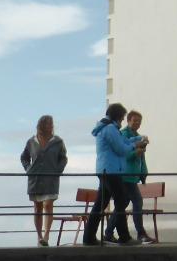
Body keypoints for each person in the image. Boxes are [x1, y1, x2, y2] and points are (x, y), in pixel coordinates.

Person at [83, 103, 144, 246]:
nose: (122, 120)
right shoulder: (110, 129)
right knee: (121, 200)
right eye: (122, 118)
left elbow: (123, 141)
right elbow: (121, 149)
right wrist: (135, 146)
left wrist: (137, 139)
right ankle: (124, 237)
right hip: (111, 171)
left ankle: (89, 238)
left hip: (105, 170)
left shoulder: (109, 128)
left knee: (101, 204)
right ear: (118, 116)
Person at [105, 110, 153, 244]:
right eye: (135, 120)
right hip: (125, 175)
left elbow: (140, 157)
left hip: (131, 176)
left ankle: (108, 233)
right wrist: (136, 153)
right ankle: (141, 234)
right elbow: (124, 155)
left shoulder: (137, 136)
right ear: (128, 120)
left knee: (122, 204)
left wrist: (143, 173)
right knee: (137, 201)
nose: (137, 123)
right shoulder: (124, 134)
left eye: (139, 121)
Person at [20, 115, 68, 247]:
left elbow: (63, 158)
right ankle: (39, 237)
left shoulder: (58, 142)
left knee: (48, 205)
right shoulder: (31, 142)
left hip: (51, 179)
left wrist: (58, 170)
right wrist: (28, 169)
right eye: (48, 124)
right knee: (37, 208)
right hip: (35, 180)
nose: (50, 126)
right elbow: (24, 157)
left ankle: (46, 235)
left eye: (51, 124)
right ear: (41, 125)